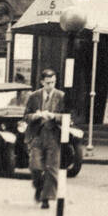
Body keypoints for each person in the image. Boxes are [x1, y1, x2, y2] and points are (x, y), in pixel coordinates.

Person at [24, 69, 66, 208]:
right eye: (48, 83)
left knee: (51, 168)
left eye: (53, 82)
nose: (51, 85)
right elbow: (26, 115)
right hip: (37, 134)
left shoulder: (61, 96)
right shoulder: (34, 96)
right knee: (35, 166)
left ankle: (46, 199)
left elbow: (68, 117)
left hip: (54, 135)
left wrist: (54, 116)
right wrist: (35, 116)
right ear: (42, 82)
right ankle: (39, 186)